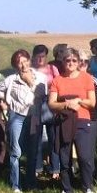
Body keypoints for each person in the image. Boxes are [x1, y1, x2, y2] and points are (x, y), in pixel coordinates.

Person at [48, 48, 97, 193]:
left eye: (74, 60)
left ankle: (87, 186)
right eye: (67, 60)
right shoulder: (57, 80)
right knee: (64, 157)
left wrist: (79, 101)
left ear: (79, 62)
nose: (70, 63)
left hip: (83, 120)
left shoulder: (86, 78)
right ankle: (67, 190)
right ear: (63, 62)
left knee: (85, 156)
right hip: (63, 122)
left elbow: (92, 102)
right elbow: (51, 104)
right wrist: (66, 105)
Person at [0, 49, 46, 193]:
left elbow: (42, 94)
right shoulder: (11, 79)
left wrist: (30, 82)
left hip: (34, 116)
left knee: (32, 151)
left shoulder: (40, 77)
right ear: (15, 66)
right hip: (17, 116)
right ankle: (15, 184)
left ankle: (31, 183)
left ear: (29, 61)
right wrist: (5, 99)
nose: (23, 65)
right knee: (15, 151)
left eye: (25, 61)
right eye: (19, 63)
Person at [32, 44, 60, 180]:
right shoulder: (30, 71)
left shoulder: (52, 69)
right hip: (34, 105)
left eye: (43, 56)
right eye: (38, 56)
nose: (40, 59)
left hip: (50, 104)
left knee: (53, 138)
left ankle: (55, 168)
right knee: (35, 139)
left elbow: (59, 84)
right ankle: (37, 168)